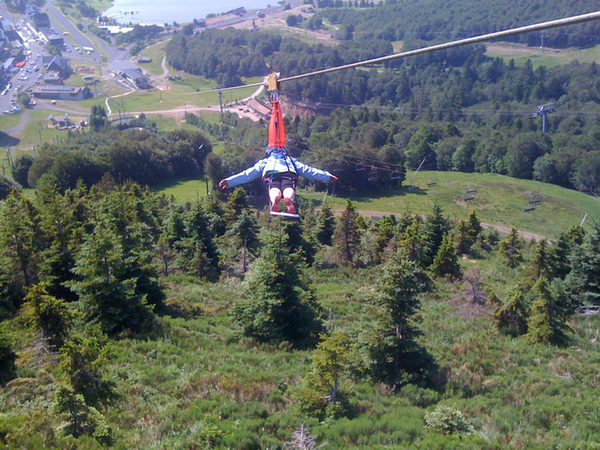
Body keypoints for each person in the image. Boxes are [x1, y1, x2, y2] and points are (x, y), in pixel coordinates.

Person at [218, 147, 337, 215]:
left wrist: (229, 181)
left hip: (272, 174)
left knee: (274, 188)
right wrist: (327, 176)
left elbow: (248, 174)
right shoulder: (290, 159)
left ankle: (276, 199)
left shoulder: (265, 161)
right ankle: (288, 199)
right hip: (288, 173)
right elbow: (308, 170)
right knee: (288, 187)